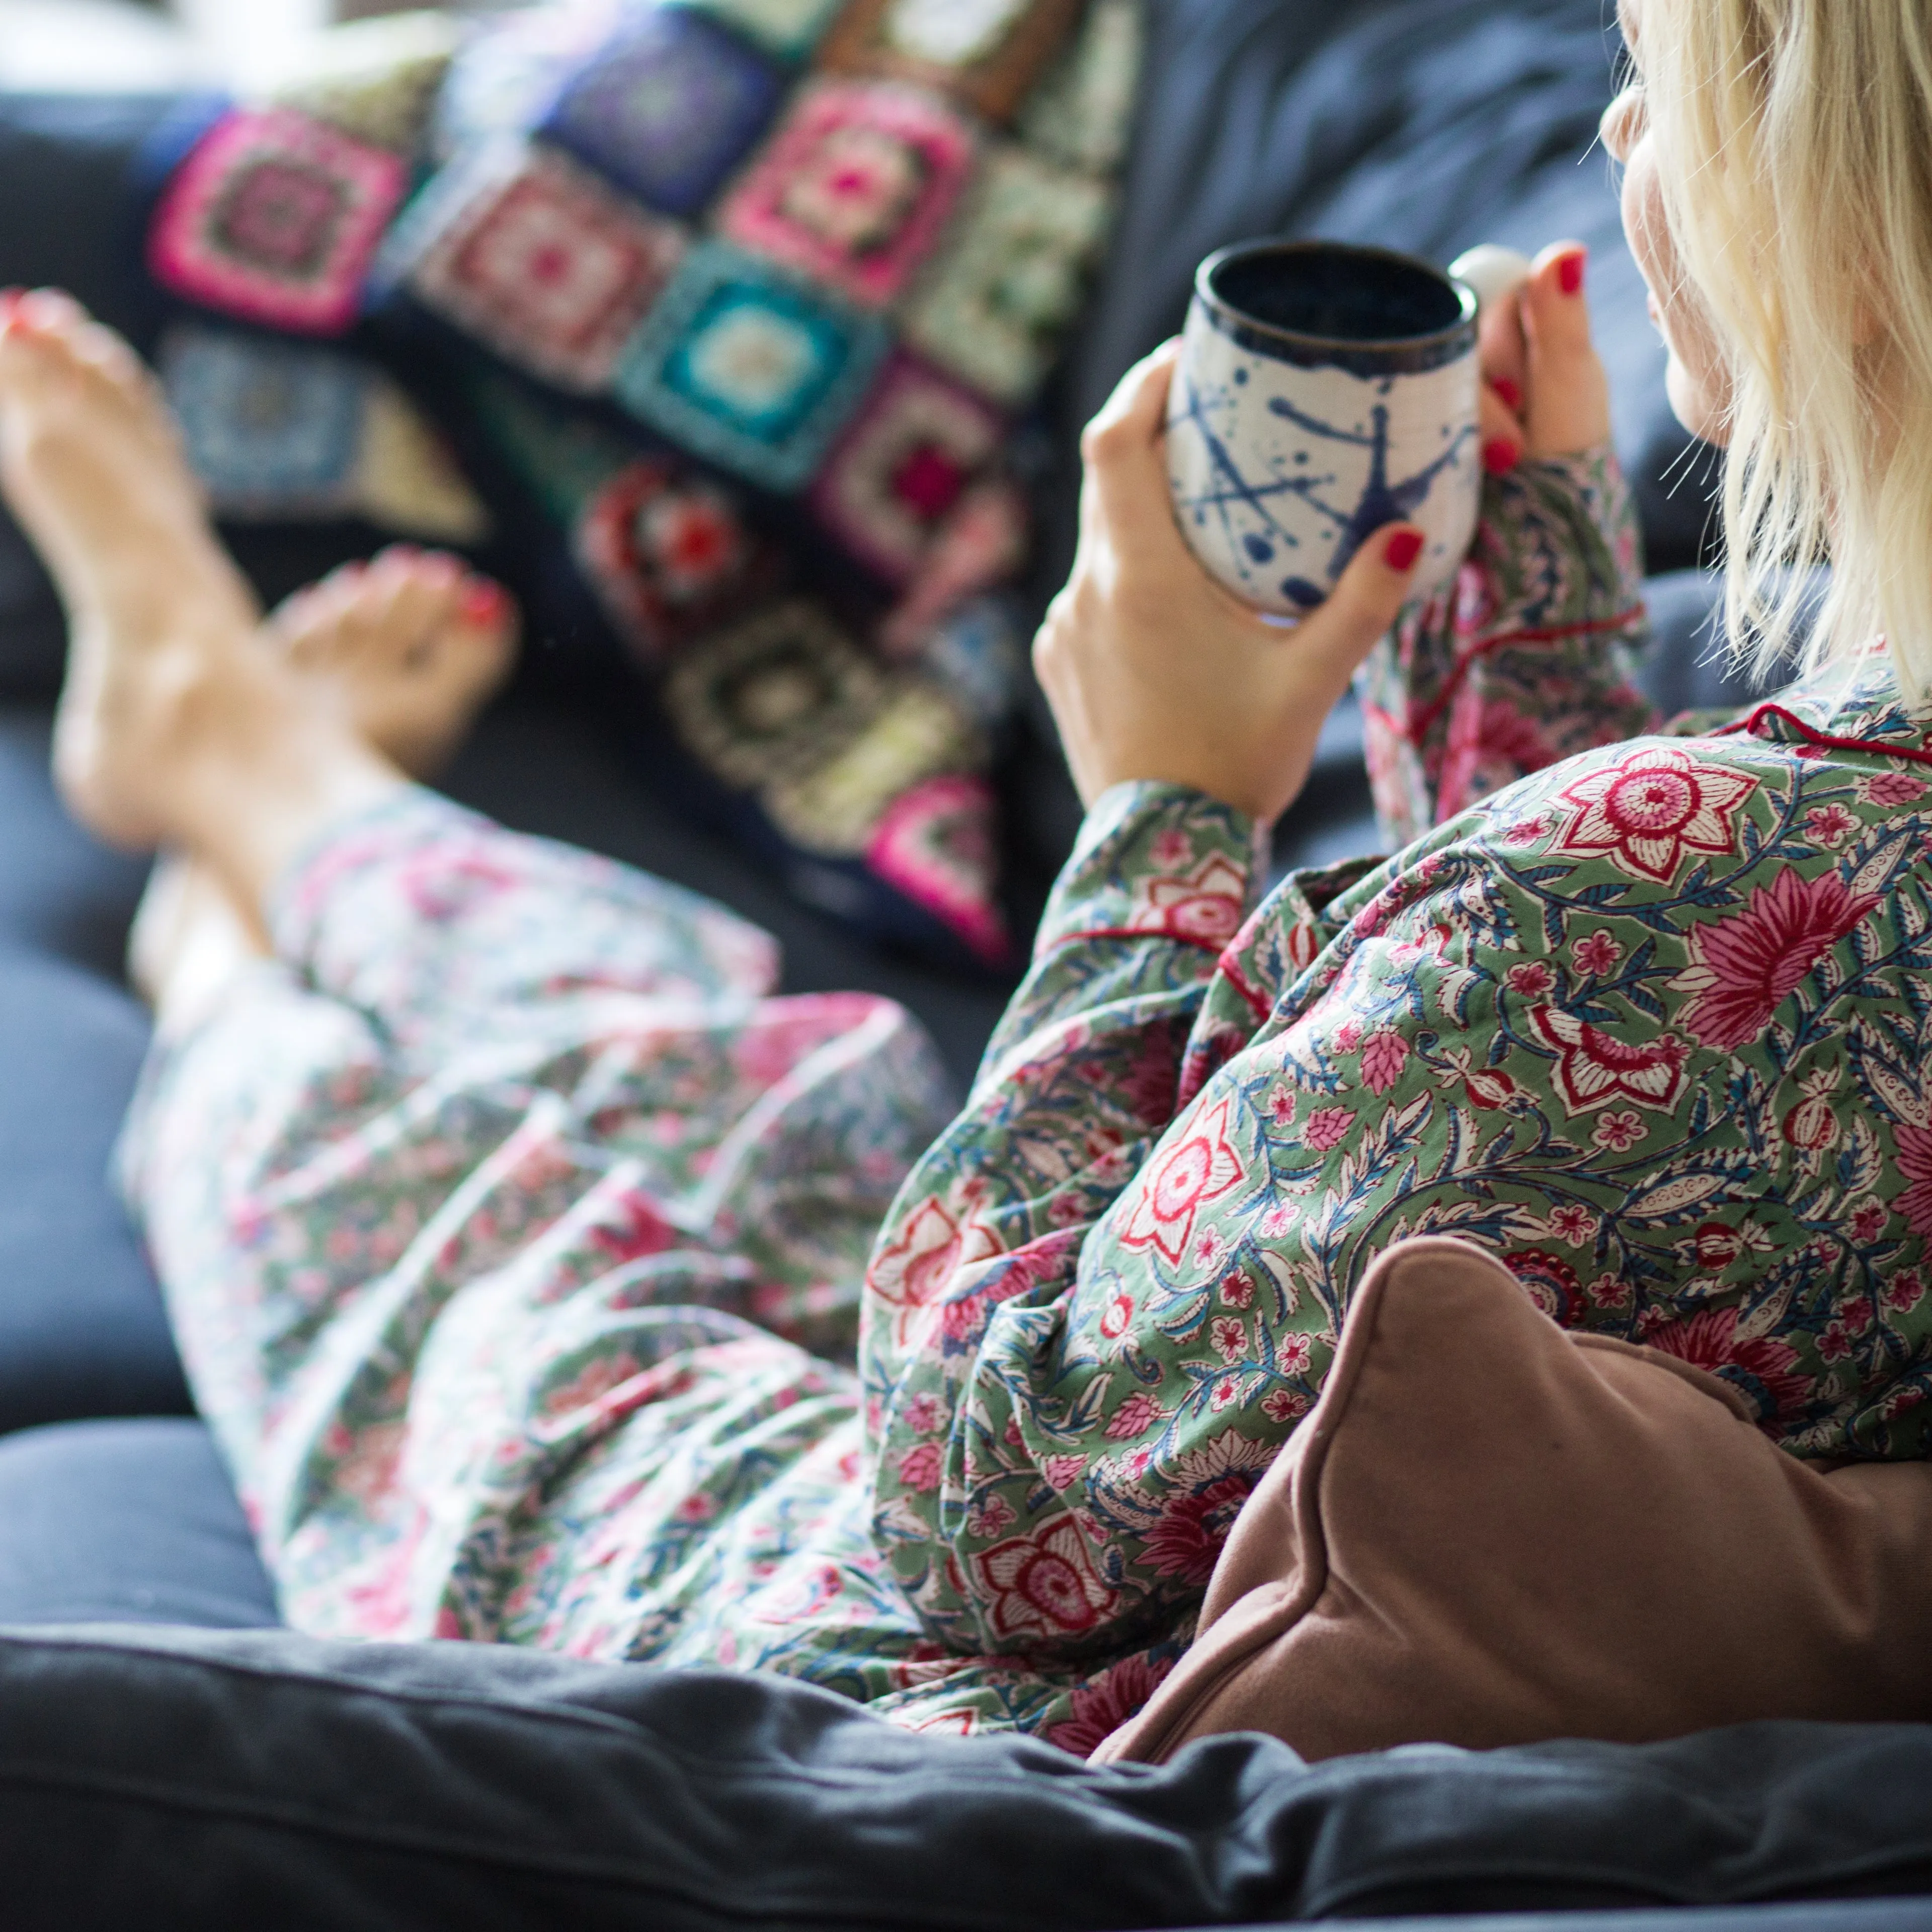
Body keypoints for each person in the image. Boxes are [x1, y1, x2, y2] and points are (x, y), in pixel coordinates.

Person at [1, 0, 1925, 1749]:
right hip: (1207, 1444)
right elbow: (1595, 1162)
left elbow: (983, 1508)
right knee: (789, 1099)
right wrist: (1521, 643)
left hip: (969, 1689)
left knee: (476, 1272)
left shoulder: (1613, 907)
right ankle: (270, 778)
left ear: (1846, 221)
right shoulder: (1768, 850)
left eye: (1648, 85)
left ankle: (224, 918)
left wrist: (1162, 807)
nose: (1612, 145)